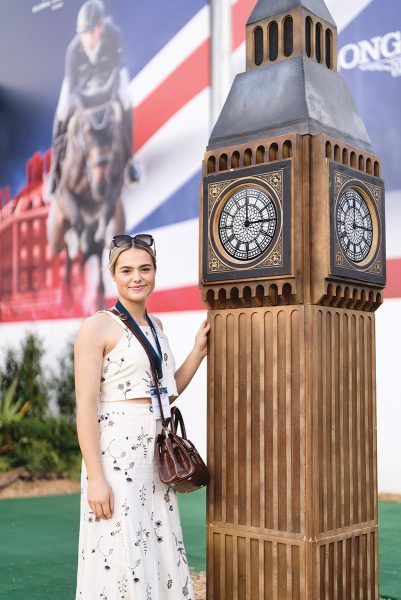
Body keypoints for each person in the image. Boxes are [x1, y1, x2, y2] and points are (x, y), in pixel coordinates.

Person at [74, 233, 210, 599]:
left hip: (154, 451)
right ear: (113, 275)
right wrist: (96, 477)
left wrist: (197, 352)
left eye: (145, 269)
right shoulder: (97, 327)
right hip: (115, 456)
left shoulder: (158, 328)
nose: (137, 277)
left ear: (154, 273)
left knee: (157, 538)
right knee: (120, 545)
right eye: (128, 270)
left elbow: (167, 391)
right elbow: (85, 407)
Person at [45, 0, 139, 199]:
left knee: (126, 99)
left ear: (100, 28)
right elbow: (72, 85)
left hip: (108, 79)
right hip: (81, 86)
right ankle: (54, 170)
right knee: (62, 111)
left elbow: (116, 69)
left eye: (90, 32)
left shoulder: (113, 36)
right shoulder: (72, 51)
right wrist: (80, 101)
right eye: (83, 33)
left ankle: (130, 161)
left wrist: (108, 91)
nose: (86, 38)